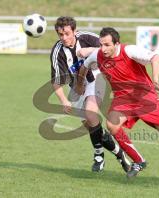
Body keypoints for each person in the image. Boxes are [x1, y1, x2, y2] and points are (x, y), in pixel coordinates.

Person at [76, 27, 159, 183]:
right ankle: (139, 160)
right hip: (123, 99)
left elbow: (155, 57)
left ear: (117, 44)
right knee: (112, 125)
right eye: (101, 45)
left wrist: (155, 79)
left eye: (107, 45)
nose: (103, 49)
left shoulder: (129, 51)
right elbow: (84, 66)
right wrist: (80, 84)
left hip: (146, 98)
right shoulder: (98, 55)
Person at [50, 16, 130, 173]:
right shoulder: (57, 52)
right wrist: (64, 100)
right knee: (90, 125)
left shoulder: (87, 38)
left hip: (97, 79)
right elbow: (56, 81)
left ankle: (98, 156)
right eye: (60, 34)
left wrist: (91, 50)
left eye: (67, 33)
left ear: (75, 31)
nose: (64, 38)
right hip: (77, 88)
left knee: (91, 114)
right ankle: (120, 154)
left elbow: (110, 50)